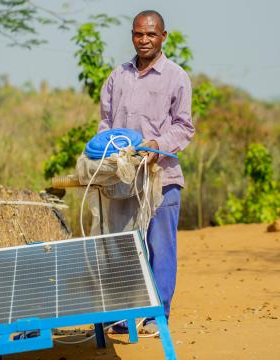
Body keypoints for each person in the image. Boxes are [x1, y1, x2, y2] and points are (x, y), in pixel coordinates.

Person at [98, 10, 194, 334]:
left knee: (160, 247)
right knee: (126, 248)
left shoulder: (176, 77)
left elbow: (184, 127)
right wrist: (106, 154)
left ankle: (157, 317)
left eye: (151, 34)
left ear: (163, 37)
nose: (144, 40)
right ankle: (127, 316)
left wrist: (156, 145)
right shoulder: (117, 77)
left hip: (162, 179)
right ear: (132, 36)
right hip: (124, 182)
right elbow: (105, 124)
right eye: (139, 34)